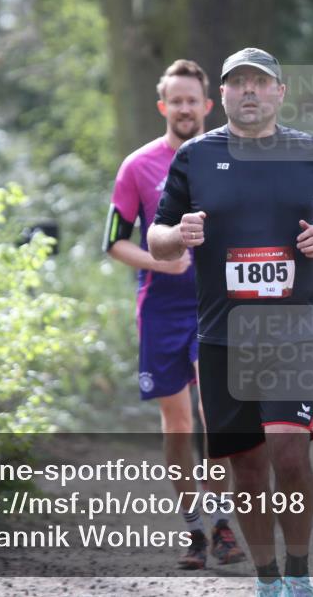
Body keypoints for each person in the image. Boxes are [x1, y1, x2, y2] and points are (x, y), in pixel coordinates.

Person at [149, 48, 313, 597]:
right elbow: (156, 235)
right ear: (222, 94)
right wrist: (178, 235)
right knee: (245, 466)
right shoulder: (195, 157)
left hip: (290, 331)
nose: (249, 91)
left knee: (289, 453)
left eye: (260, 82)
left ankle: (300, 574)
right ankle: (267, 580)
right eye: (238, 82)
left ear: (279, 93)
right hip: (222, 336)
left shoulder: (310, 153)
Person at [104, 59, 244, 569]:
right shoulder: (137, 166)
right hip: (162, 309)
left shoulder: (230, 158)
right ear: (163, 106)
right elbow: (114, 242)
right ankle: (194, 531)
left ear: (207, 105)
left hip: (217, 305)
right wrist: (159, 262)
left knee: (217, 415)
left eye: (192, 101)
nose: (185, 109)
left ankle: (223, 523)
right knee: (178, 423)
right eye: (176, 101)